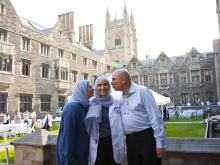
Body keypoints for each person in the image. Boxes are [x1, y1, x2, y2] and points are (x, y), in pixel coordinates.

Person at [111, 69, 166, 165]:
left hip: (146, 139)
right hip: (130, 141)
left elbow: (156, 118)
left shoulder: (142, 91)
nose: (111, 83)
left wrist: (160, 144)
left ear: (123, 80)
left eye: (114, 79)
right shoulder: (119, 97)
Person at [85, 76, 126, 165]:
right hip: (98, 144)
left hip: (113, 143)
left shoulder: (117, 103)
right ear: (96, 87)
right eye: (99, 85)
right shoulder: (91, 104)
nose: (102, 87)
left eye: (105, 84)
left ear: (109, 86)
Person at [56, 80, 94, 165]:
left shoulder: (85, 106)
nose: (93, 89)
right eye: (90, 87)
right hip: (72, 158)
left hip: (81, 155)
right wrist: (68, 160)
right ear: (82, 89)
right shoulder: (72, 108)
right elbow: (68, 135)